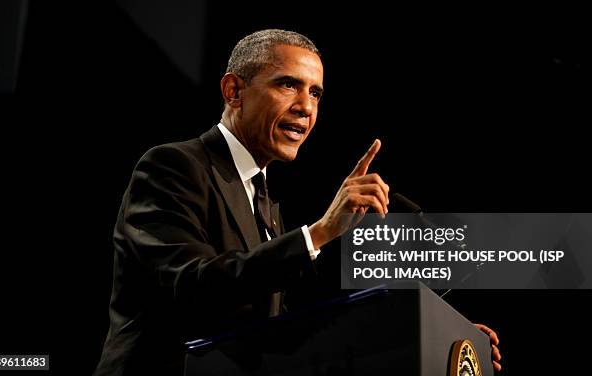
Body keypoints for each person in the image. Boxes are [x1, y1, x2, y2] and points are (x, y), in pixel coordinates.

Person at [94, 29, 501, 375]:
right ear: (234, 90)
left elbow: (281, 329)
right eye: (287, 84)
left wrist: (430, 329)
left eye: (316, 93)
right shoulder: (173, 166)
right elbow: (193, 284)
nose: (306, 107)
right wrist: (321, 232)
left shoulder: (267, 204)